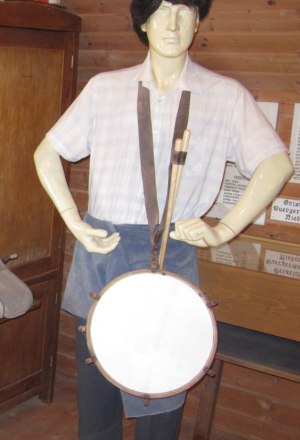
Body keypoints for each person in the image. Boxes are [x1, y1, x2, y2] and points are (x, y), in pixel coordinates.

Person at [33, 0, 293, 439]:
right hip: (104, 256)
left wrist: (224, 229)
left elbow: (277, 163)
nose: (172, 23)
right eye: (160, 11)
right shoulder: (104, 89)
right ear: (143, 22)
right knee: (96, 402)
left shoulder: (225, 95)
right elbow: (47, 153)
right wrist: (74, 222)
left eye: (184, 9)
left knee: (163, 396)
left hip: (170, 260)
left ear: (198, 20)